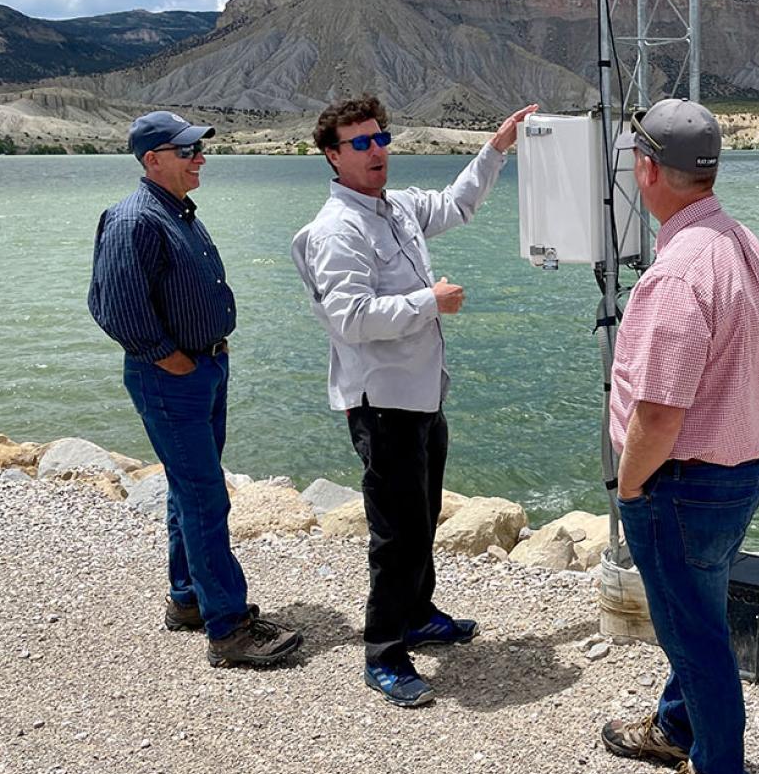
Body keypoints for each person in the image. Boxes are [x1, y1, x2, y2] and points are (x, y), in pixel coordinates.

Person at [292, 95, 534, 710]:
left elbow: (456, 203)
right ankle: (384, 652)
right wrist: (431, 300)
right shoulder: (336, 229)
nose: (377, 151)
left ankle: (419, 613)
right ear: (332, 155)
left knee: (423, 514)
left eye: (381, 138)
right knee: (395, 530)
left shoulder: (395, 209)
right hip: (383, 404)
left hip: (424, 393)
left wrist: (496, 148)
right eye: (361, 144)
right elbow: (349, 317)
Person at [604, 98, 759, 774]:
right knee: (697, 610)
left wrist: (630, 483)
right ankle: (678, 728)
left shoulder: (676, 274)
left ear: (647, 171)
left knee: (692, 633)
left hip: (683, 484)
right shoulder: (736, 240)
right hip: (738, 469)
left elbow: (658, 414)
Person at [88, 112, 301, 671]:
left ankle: (187, 599)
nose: (200, 157)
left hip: (202, 370)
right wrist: (170, 357)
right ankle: (229, 628)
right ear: (152, 160)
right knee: (206, 496)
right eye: (186, 151)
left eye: (198, 149)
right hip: (172, 378)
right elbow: (113, 307)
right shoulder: (133, 219)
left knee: (191, 490)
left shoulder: (175, 211)